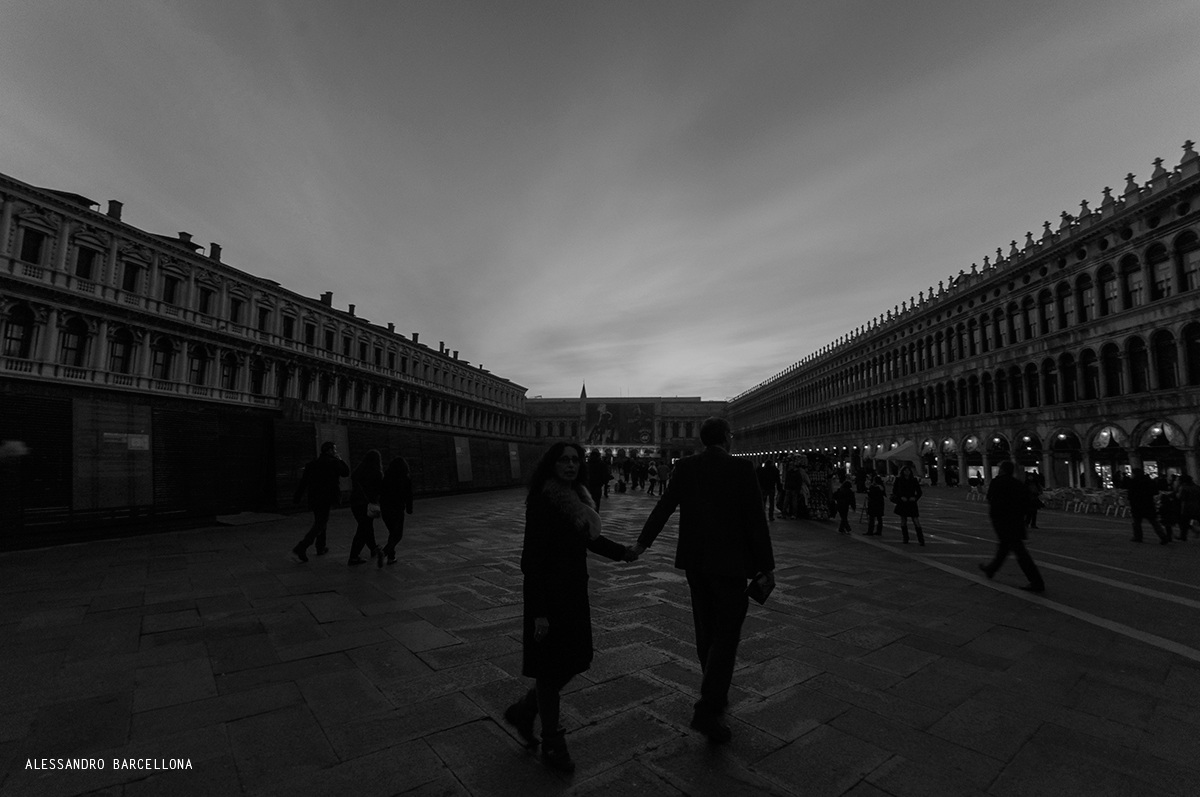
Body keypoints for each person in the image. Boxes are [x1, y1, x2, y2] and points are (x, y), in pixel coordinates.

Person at [632, 417, 775, 744]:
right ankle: (708, 707)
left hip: (696, 563)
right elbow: (755, 520)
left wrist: (642, 542)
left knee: (705, 629)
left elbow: (664, 506)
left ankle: (714, 691)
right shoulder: (742, 470)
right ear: (726, 438)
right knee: (727, 636)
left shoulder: (686, 467)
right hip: (730, 566)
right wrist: (766, 565)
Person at [503, 442, 635, 773]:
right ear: (552, 464)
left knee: (574, 661)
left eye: (575, 460)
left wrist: (623, 553)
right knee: (550, 670)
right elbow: (531, 559)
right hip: (549, 595)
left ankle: (525, 709)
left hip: (574, 593)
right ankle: (552, 741)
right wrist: (540, 612)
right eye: (564, 460)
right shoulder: (544, 500)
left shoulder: (578, 496)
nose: (571, 465)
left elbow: (589, 539)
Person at [979, 460, 1045, 592]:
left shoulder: (997, 482)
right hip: (1016, 522)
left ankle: (1037, 582)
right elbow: (1027, 502)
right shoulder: (1018, 484)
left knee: (1019, 552)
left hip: (1003, 522)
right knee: (1005, 547)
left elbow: (991, 499)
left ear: (1002, 470)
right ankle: (991, 569)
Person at [292, 441, 349, 562]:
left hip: (314, 498)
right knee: (321, 523)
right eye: (334, 449)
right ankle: (302, 546)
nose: (335, 451)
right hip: (327, 497)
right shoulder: (333, 462)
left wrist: (297, 497)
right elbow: (346, 472)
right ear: (329, 451)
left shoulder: (312, 464)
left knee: (321, 520)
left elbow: (304, 482)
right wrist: (340, 460)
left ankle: (320, 547)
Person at [348, 449, 386, 566]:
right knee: (363, 529)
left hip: (355, 503)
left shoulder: (358, 472)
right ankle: (354, 556)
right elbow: (380, 490)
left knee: (366, 526)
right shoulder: (376, 473)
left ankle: (373, 548)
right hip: (368, 504)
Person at [380, 456, 413, 565]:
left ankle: (391, 557)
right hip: (397, 509)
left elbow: (382, 493)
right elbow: (409, 495)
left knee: (392, 533)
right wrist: (409, 508)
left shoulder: (386, 477)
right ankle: (384, 552)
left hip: (385, 508)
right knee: (397, 535)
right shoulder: (405, 478)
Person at [1127, 467, 1168, 544]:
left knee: (1136, 522)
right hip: (1148, 504)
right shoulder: (1149, 481)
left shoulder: (1133, 482)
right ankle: (1163, 536)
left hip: (1137, 505)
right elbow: (1155, 492)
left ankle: (1138, 537)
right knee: (1154, 522)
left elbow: (1130, 494)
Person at [891, 465, 925, 546]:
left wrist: (915, 498)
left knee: (915, 520)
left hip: (911, 502)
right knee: (903, 519)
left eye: (908, 471)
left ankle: (921, 539)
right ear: (902, 472)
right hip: (903, 502)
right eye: (905, 471)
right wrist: (900, 497)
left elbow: (919, 492)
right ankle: (905, 537)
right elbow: (895, 491)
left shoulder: (914, 480)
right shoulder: (898, 480)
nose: (907, 472)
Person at [1176, 474, 1200, 541]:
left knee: (1184, 522)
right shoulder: (1196, 487)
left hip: (1187, 506)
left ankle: (1183, 536)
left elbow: (1180, 497)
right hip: (1197, 506)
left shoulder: (1184, 487)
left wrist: (1177, 494)